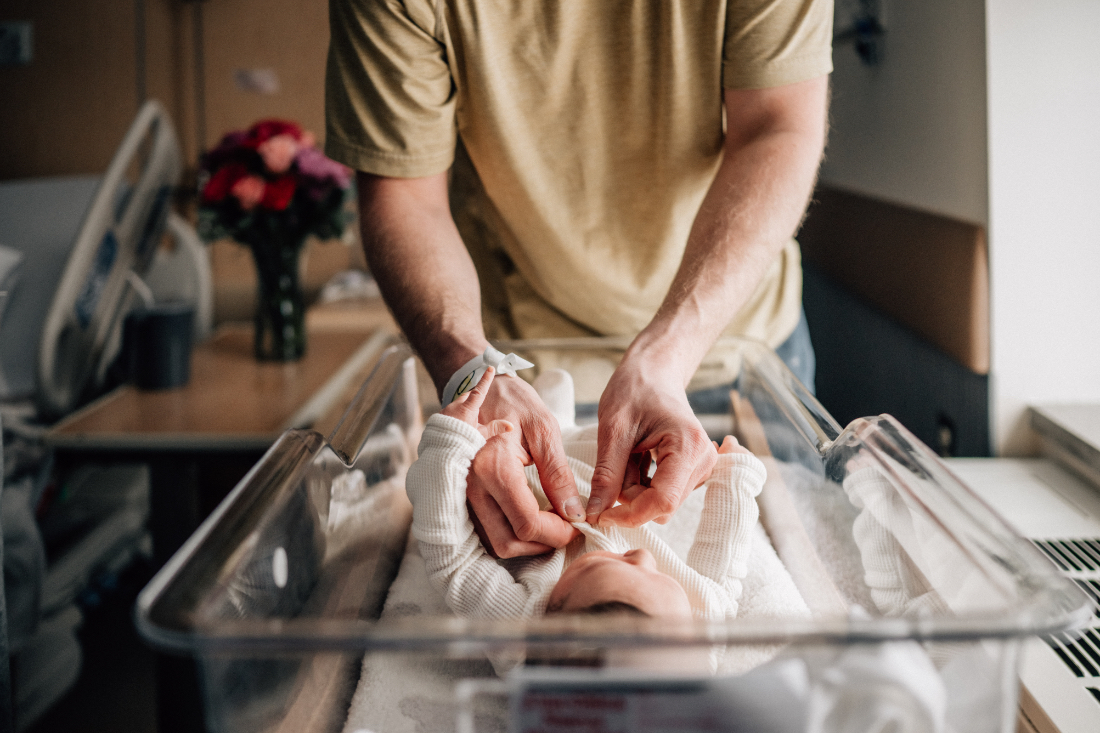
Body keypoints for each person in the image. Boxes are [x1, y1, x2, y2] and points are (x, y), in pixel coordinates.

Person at [325, 0, 832, 557]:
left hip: (733, 333)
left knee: (796, 540)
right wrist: (472, 376)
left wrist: (668, 356)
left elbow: (777, 126)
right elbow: (404, 193)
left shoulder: (705, 597)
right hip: (528, 369)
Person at [406, 367, 766, 631]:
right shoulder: (696, 635)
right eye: (658, 576)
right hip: (610, 463)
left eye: (602, 565)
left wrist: (451, 442)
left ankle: (553, 416)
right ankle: (557, 416)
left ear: (551, 613)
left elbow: (453, 561)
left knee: (544, 433)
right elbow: (723, 564)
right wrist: (736, 479)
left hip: (526, 477)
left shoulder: (521, 632)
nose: (642, 556)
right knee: (590, 438)